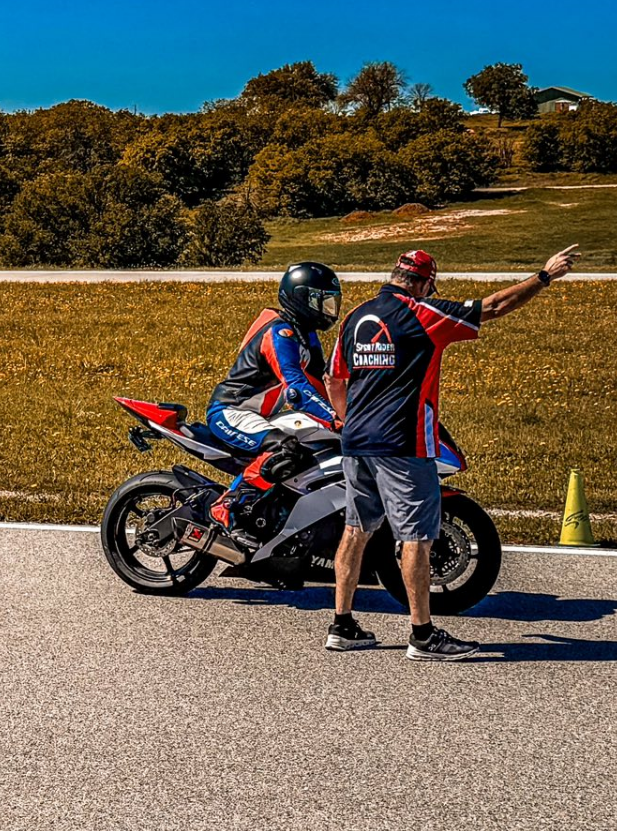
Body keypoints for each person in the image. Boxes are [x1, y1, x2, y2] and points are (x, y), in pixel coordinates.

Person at [326, 245, 580, 658]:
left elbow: (335, 379)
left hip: (356, 442)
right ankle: (423, 635)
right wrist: (544, 277)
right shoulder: (421, 314)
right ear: (425, 282)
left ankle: (342, 624)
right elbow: (493, 307)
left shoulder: (356, 318)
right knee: (415, 537)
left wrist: (349, 421)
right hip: (403, 443)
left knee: (356, 530)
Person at [204, 261, 343, 548]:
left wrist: (350, 411)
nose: (328, 309)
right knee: (284, 449)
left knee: (316, 447)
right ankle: (226, 507)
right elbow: (297, 388)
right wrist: (335, 418)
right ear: (301, 298)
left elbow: (321, 380)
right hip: (232, 410)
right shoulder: (280, 333)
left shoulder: (306, 333)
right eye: (321, 301)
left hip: (262, 414)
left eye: (331, 301)